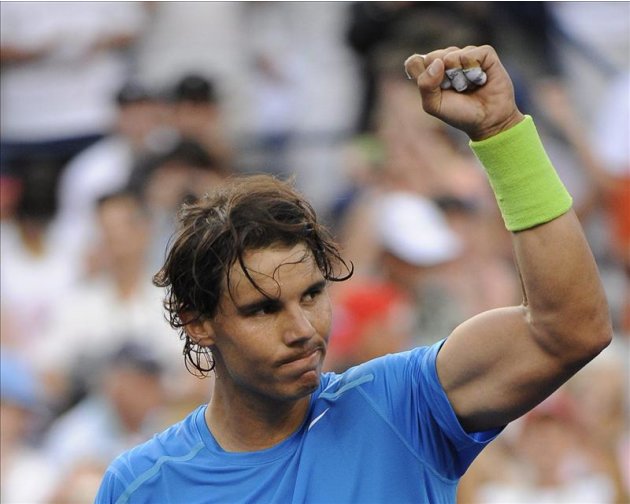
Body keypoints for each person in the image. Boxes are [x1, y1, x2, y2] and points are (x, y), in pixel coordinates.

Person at [95, 45, 612, 503]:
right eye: (263, 309)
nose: (303, 330)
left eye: (312, 295)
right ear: (197, 321)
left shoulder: (403, 402)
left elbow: (570, 330)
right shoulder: (141, 486)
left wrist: (503, 136)